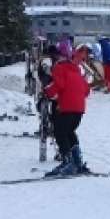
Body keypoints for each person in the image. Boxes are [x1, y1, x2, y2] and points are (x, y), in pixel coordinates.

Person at [44, 41, 92, 176]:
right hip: (79, 108)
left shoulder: (59, 67)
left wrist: (47, 92)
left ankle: (68, 162)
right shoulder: (76, 69)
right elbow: (86, 90)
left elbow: (59, 84)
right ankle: (77, 161)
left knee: (59, 133)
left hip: (67, 107)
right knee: (69, 132)